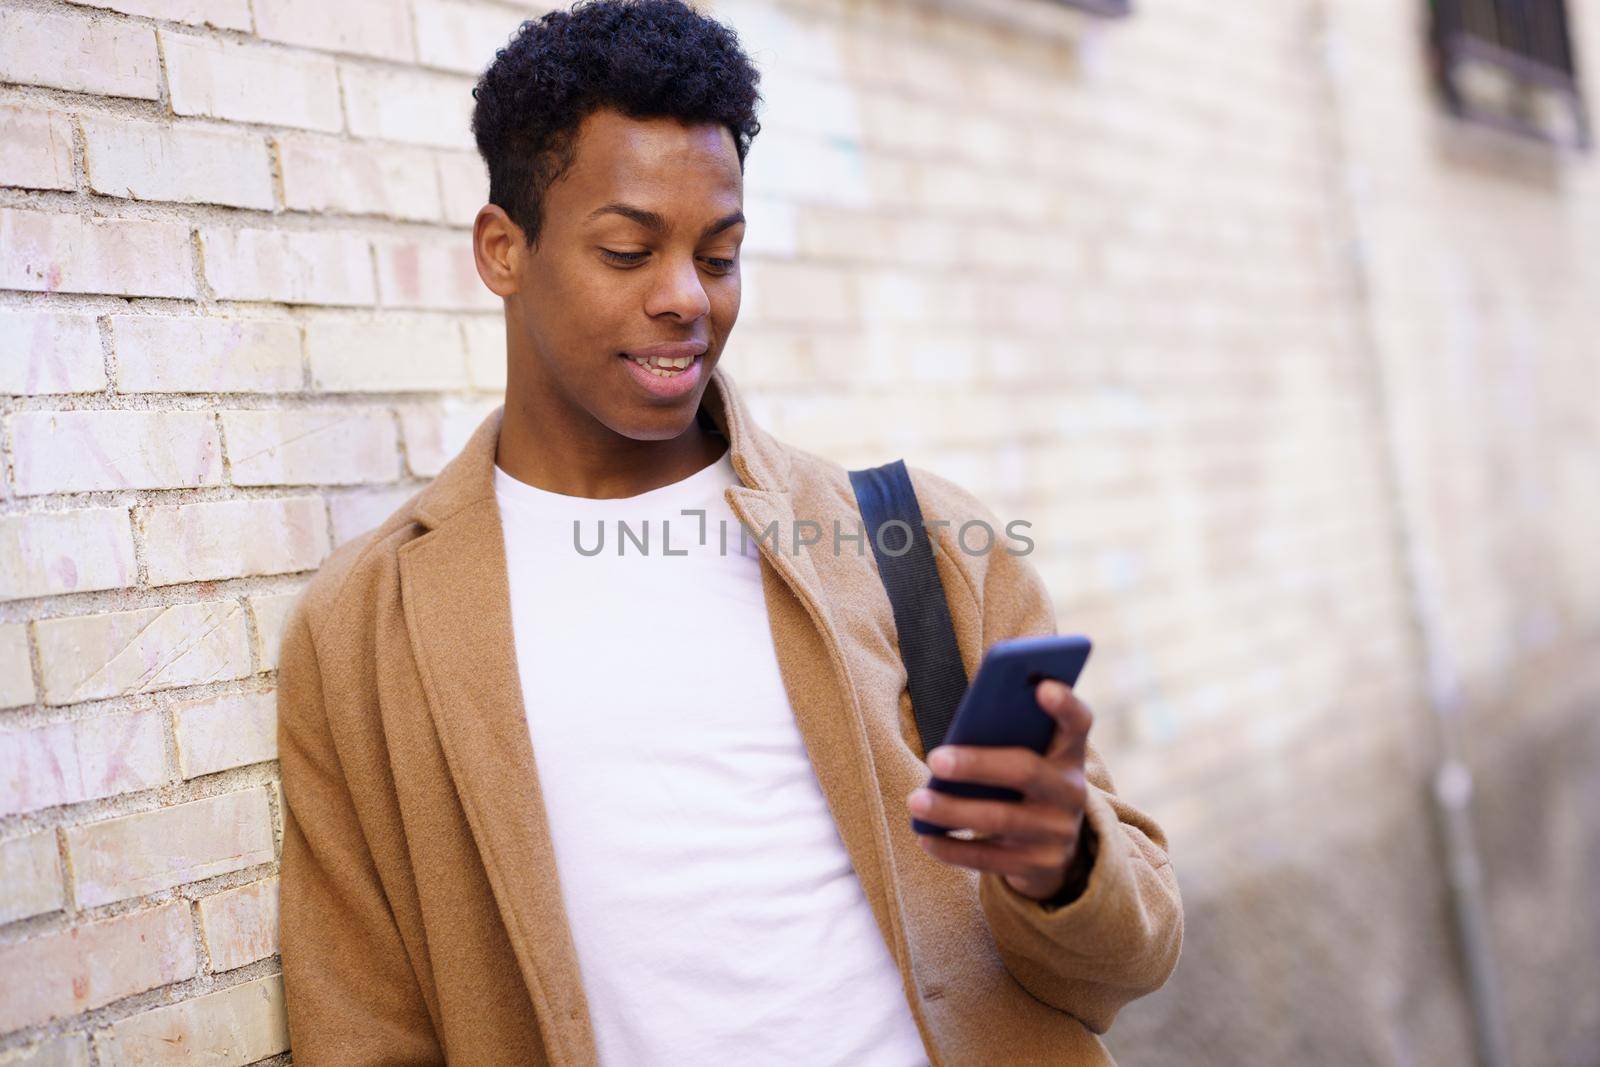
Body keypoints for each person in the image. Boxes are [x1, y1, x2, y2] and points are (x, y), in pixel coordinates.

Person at [275, 1, 1183, 1063]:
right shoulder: (369, 626)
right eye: (626, 250)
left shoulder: (915, 543)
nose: (683, 300)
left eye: (718, 256)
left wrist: (1060, 864)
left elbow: (1132, 955)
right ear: (502, 249)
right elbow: (363, 1025)